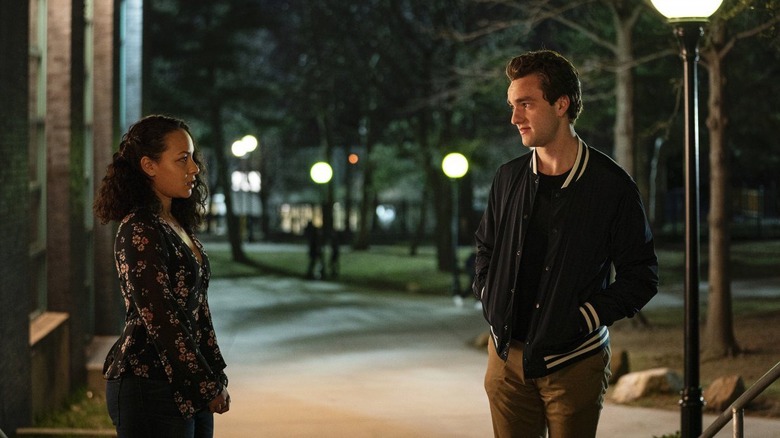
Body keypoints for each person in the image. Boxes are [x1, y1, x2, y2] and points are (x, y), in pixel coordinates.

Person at [472, 50, 658, 437]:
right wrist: (489, 293)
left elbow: (641, 276)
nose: (514, 118)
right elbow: (485, 248)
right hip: (505, 362)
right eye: (512, 105)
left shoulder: (611, 187)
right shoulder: (508, 178)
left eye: (525, 104)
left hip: (573, 363)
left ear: (561, 104)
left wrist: (583, 319)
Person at [94, 115, 230, 438]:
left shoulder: (174, 224)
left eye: (193, 158)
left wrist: (213, 375)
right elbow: (162, 319)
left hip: (186, 384)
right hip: (149, 385)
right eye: (182, 159)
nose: (194, 168)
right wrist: (203, 381)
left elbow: (198, 311)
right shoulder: (139, 229)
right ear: (149, 166)